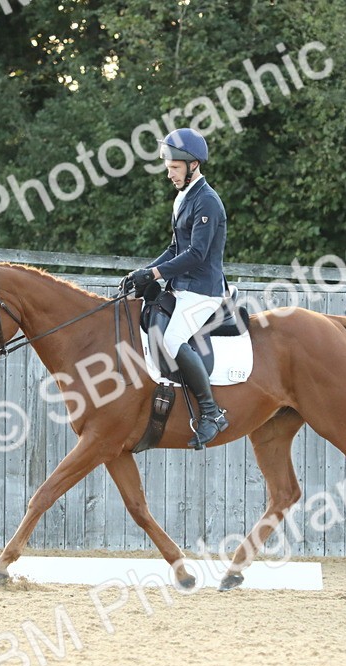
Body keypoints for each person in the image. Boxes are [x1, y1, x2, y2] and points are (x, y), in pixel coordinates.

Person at [127, 127, 229, 449]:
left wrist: (155, 273)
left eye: (174, 168)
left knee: (172, 339)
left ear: (193, 165)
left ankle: (212, 414)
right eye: (168, 167)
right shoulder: (183, 197)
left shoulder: (208, 202)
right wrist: (144, 273)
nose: (169, 174)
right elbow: (175, 249)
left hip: (204, 291)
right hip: (184, 287)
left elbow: (197, 254)